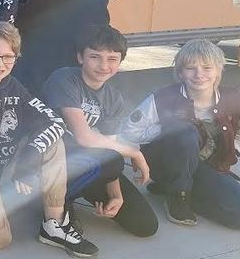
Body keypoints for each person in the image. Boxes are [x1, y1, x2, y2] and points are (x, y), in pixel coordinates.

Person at [0, 20, 98, 258]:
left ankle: (53, 224)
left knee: (53, 142)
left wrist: (27, 159)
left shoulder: (13, 86)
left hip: (9, 164)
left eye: (8, 57)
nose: (0, 64)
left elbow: (54, 122)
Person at [122, 39, 240, 230]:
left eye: (207, 67)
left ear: (219, 70)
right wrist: (166, 129)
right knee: (184, 131)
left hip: (205, 166)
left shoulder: (236, 99)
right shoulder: (162, 98)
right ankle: (178, 196)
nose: (199, 74)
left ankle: (175, 190)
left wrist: (234, 152)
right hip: (166, 162)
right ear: (180, 72)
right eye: (190, 68)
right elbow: (130, 131)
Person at [42, 25, 157, 239]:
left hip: (89, 166)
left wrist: (116, 195)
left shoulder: (113, 98)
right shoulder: (64, 79)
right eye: (95, 57)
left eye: (112, 59)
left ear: (120, 62)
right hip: (52, 164)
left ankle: (75, 192)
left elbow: (107, 145)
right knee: (113, 158)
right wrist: (134, 152)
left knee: (145, 225)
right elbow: (83, 136)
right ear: (80, 57)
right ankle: (57, 203)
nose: (104, 65)